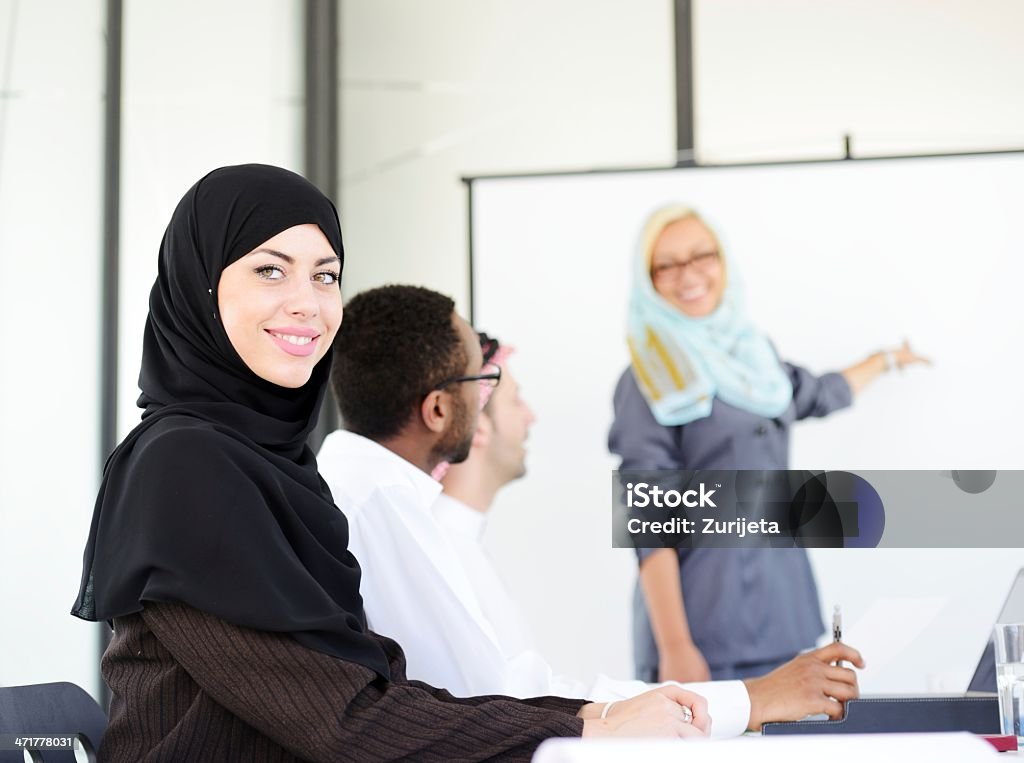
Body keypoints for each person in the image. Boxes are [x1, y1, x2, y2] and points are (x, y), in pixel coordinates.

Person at [70, 167, 709, 763]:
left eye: (325, 275)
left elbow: (374, 692)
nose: (307, 303)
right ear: (201, 286)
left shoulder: (276, 466)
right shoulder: (184, 464)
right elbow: (337, 719)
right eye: (270, 271)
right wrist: (587, 725)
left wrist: (594, 714)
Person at [319, 308, 863, 738]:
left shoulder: (430, 529)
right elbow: (515, 702)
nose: (531, 415)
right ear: (459, 415)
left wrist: (884, 362)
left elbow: (530, 698)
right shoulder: (412, 527)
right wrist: (741, 695)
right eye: (512, 397)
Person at [609, 205, 930, 684]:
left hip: (783, 611)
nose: (688, 275)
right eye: (666, 264)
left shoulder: (755, 360)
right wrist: (676, 647)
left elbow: (817, 393)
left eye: (702, 255)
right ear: (648, 280)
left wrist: (886, 360)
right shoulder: (650, 378)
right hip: (704, 628)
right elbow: (649, 524)